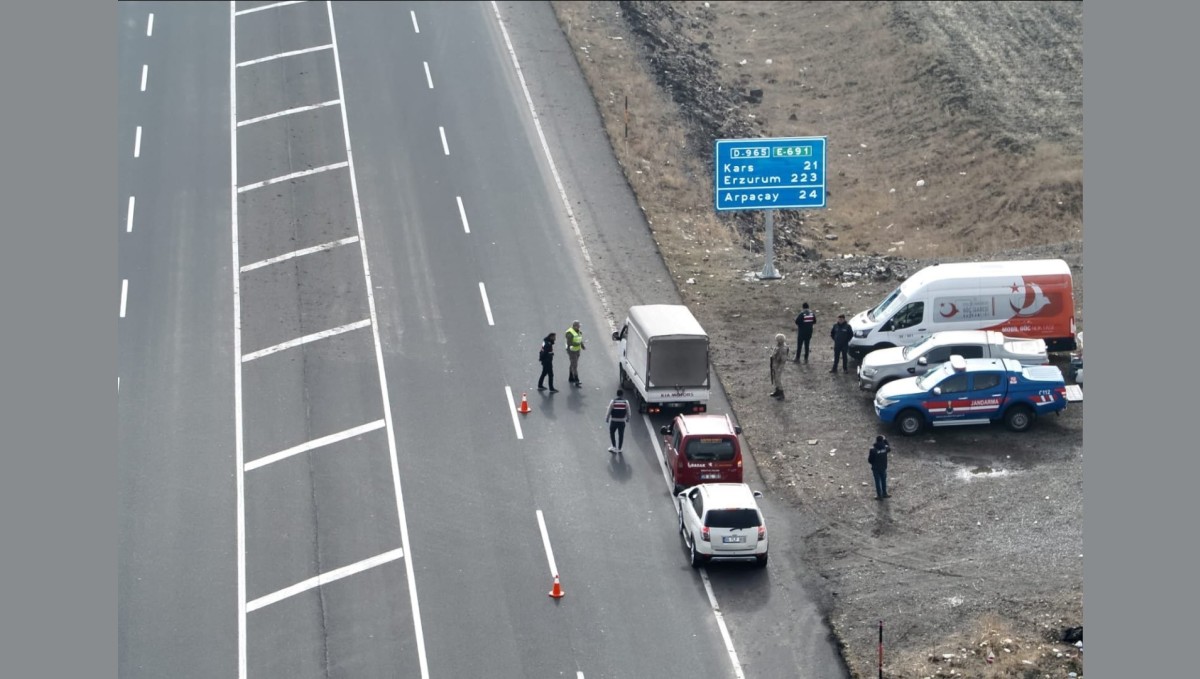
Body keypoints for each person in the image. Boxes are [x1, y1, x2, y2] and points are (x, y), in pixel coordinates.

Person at [606, 389, 631, 453]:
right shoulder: (626, 402)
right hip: (622, 421)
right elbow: (628, 412)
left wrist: (607, 418)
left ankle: (614, 447)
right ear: (622, 395)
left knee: (612, 433)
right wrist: (628, 419)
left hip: (613, 421)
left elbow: (609, 410)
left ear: (617, 394)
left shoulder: (613, 401)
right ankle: (620, 448)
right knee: (621, 434)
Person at [868, 435, 891, 499]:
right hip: (883, 467)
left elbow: (870, 460)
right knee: (883, 480)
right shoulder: (885, 449)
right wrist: (885, 440)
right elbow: (889, 447)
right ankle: (884, 493)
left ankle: (879, 495)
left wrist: (873, 464)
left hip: (875, 468)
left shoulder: (873, 450)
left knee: (877, 482)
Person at [565, 320, 586, 386]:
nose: (579, 327)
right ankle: (576, 380)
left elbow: (579, 340)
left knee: (573, 363)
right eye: (578, 326)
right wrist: (578, 344)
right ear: (575, 326)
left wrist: (582, 346)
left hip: (577, 350)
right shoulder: (569, 333)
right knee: (575, 365)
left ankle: (571, 377)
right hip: (571, 351)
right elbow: (569, 343)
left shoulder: (579, 332)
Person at [769, 333, 788, 399]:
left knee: (778, 379)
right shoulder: (779, 346)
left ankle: (781, 393)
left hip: (779, 366)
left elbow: (783, 359)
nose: (776, 341)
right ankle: (777, 391)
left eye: (777, 340)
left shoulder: (783, 348)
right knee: (775, 378)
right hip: (776, 365)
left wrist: (779, 367)